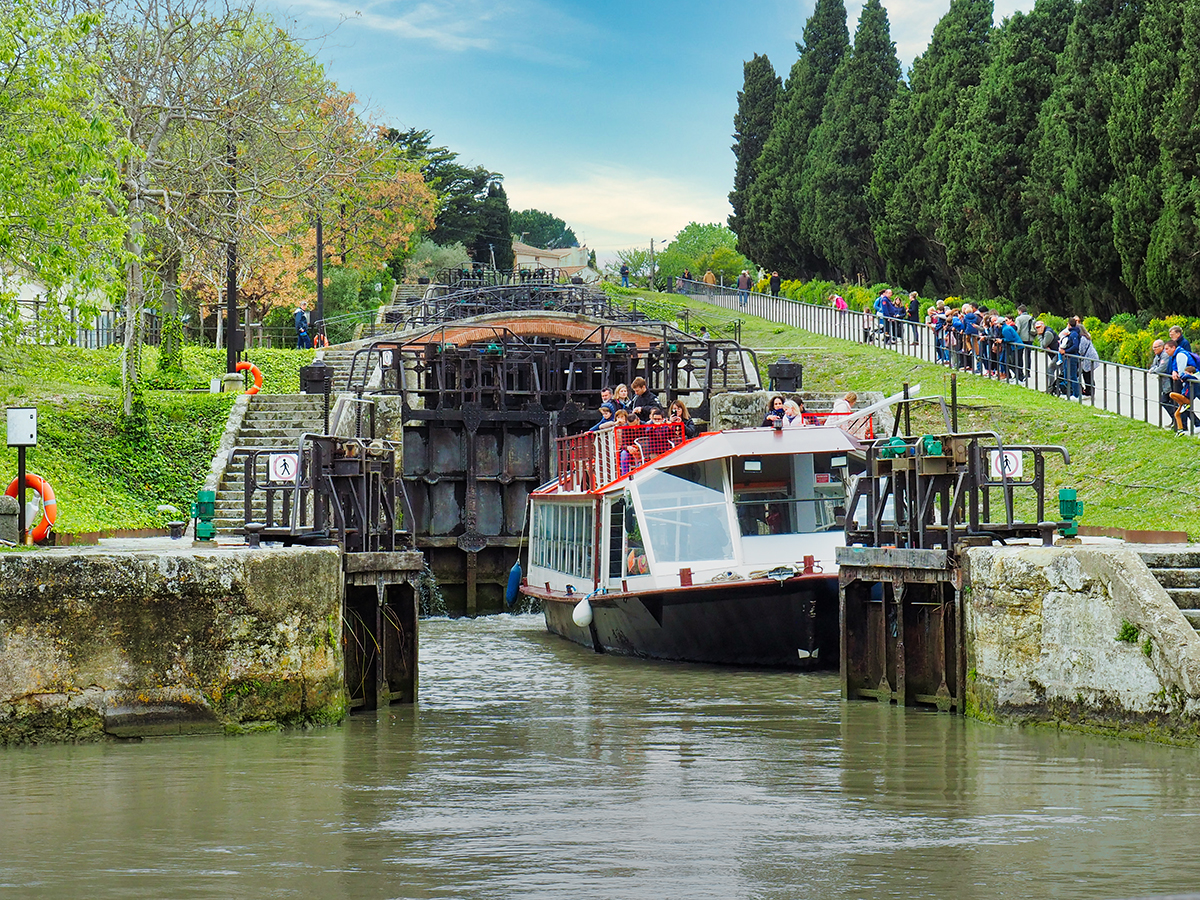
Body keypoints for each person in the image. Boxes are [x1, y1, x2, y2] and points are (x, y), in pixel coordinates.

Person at [1150, 339, 1176, 421]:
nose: (1154, 350)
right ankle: (1174, 420)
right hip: (1164, 383)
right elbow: (1153, 366)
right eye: (1153, 348)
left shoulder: (1165, 355)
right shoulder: (1158, 355)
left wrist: (1153, 370)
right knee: (1166, 401)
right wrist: (1153, 369)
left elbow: (1161, 368)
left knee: (1166, 401)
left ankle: (1176, 420)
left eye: (1155, 348)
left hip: (1169, 382)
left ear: (1161, 347)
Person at [1035, 320, 1060, 390]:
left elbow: (1043, 345)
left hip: (1058, 354)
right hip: (1054, 353)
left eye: (1039, 327)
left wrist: (1039, 336)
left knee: (1050, 369)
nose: (1038, 329)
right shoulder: (1045, 332)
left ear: (1043, 326)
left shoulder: (1048, 333)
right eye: (1036, 328)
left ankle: (1051, 387)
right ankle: (1054, 387)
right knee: (1061, 371)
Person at [1061, 318, 1082, 399]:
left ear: (1069, 325)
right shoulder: (1073, 333)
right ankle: (1070, 392)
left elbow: (1075, 346)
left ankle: (1076, 394)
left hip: (1072, 357)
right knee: (1068, 375)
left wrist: (1065, 351)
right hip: (1069, 356)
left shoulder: (1074, 334)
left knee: (1072, 376)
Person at [1014, 305, 1034, 382]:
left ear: (1020, 311)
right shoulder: (1031, 317)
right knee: (1028, 356)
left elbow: (1018, 330)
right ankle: (1028, 372)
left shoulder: (1018, 319)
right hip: (1029, 338)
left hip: (1021, 339)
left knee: (1019, 356)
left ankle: (1020, 371)